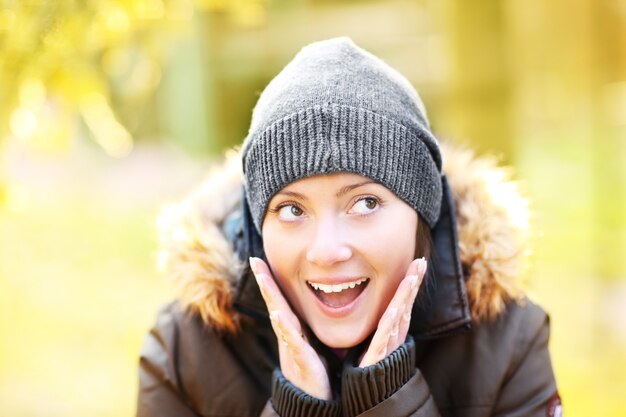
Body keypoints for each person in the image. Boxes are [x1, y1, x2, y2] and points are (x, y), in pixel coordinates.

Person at [137, 37, 562, 417]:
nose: (326, 250)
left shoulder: (508, 341)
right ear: (257, 222)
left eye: (365, 203)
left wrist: (390, 400)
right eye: (291, 210)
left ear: (421, 212)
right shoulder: (183, 351)